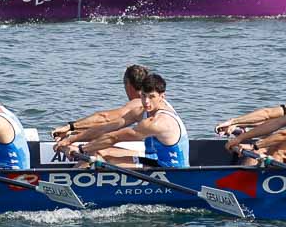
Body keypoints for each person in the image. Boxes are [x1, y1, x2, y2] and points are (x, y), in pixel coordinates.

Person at [59, 71, 189, 167]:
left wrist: (81, 149)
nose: (146, 102)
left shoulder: (159, 122)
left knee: (97, 155)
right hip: (155, 160)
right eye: (143, 96)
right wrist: (72, 139)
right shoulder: (142, 111)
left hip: (172, 171)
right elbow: (107, 127)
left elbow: (114, 137)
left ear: (162, 96)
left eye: (152, 97)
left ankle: (71, 185)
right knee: (99, 151)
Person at [53, 64, 154, 147]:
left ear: (128, 84)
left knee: (96, 152)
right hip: (153, 149)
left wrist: (70, 127)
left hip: (153, 158)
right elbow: (108, 127)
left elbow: (105, 118)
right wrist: (74, 132)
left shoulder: (138, 103)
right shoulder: (150, 102)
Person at [215, 65, 286, 136]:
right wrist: (241, 124)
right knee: (269, 133)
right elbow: (275, 122)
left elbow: (267, 114)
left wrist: (233, 121)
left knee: (268, 140)